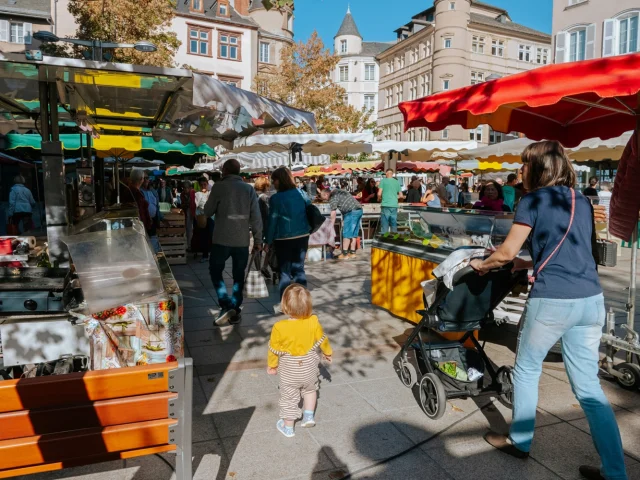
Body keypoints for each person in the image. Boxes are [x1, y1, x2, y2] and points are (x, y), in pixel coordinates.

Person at [470, 141, 626, 480]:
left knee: (526, 369)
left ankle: (520, 441)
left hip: (552, 301)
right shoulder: (580, 200)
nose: (521, 171)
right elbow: (576, 251)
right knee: (589, 389)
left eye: (525, 165)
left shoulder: (532, 200)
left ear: (539, 168)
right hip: (590, 301)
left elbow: (505, 251)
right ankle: (616, 471)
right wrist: (528, 262)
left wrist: (482, 264)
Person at [267, 284, 332, 438]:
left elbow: (273, 348)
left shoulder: (279, 327)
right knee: (310, 390)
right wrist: (328, 352)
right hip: (309, 365)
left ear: (284, 306)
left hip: (290, 369)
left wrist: (272, 365)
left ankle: (288, 427)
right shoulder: (313, 321)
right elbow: (323, 339)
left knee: (289, 396)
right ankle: (308, 417)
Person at [203, 159, 262, 327]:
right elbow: (256, 217)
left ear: (226, 171)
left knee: (215, 270)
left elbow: (207, 211)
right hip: (241, 240)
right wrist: (258, 239)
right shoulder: (248, 189)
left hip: (221, 239)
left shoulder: (219, 187)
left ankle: (226, 303)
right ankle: (234, 308)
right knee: (238, 275)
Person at [266, 167, 311, 310]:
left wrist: (267, 240)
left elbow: (272, 221)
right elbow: (309, 209)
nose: (273, 183)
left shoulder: (275, 198)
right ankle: (303, 303)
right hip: (302, 236)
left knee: (284, 272)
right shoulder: (301, 193)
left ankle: (284, 304)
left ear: (279, 180)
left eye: (274, 180)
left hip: (283, 238)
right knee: (299, 270)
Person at [320, 187, 363, 260]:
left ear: (327, 194)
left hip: (351, 212)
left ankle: (345, 254)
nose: (325, 200)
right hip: (359, 210)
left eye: (324, 198)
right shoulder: (339, 191)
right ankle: (352, 253)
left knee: (346, 233)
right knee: (353, 233)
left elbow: (333, 212)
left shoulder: (332, 196)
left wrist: (331, 225)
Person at [141, 173, 165, 253]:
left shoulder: (153, 191)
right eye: (144, 178)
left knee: (153, 238)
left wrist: (162, 218)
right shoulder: (139, 192)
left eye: (147, 178)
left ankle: (154, 255)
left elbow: (157, 207)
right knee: (144, 239)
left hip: (153, 219)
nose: (145, 180)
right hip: (143, 220)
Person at [126, 168, 152, 235]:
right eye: (144, 178)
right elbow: (140, 212)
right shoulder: (136, 193)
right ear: (141, 179)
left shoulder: (129, 190)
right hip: (137, 229)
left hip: (132, 227)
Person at [377, 169, 403, 233]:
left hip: (385, 205)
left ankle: (384, 238)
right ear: (392, 174)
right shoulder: (396, 182)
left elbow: (379, 193)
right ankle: (394, 238)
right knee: (393, 222)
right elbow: (401, 195)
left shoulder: (383, 181)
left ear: (386, 173)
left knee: (385, 223)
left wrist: (378, 199)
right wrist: (394, 197)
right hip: (394, 205)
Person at [194, 177, 213, 262]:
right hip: (202, 218)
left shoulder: (211, 193)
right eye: (201, 185)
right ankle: (205, 255)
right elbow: (197, 205)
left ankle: (212, 255)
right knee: (204, 237)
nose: (203, 186)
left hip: (211, 218)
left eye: (204, 184)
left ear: (207, 184)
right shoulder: (197, 194)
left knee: (212, 236)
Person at [180, 180, 196, 251]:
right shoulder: (182, 194)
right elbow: (182, 204)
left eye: (187, 188)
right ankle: (189, 245)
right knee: (188, 230)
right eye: (184, 188)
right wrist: (185, 205)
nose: (185, 189)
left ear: (190, 188)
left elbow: (195, 203)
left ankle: (195, 245)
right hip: (187, 213)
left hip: (194, 212)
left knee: (195, 230)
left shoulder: (194, 193)